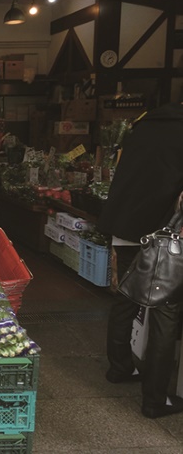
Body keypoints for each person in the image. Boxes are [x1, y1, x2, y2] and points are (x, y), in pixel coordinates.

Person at [98, 101, 183, 419]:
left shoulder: (141, 127)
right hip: (162, 237)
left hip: (125, 226)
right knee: (165, 312)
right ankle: (155, 400)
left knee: (126, 298)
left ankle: (119, 367)